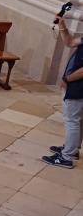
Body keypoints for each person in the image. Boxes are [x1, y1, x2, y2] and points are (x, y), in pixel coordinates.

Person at [42, 16, 83, 169]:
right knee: (78, 120)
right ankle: (72, 150)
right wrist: (62, 26)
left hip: (78, 86)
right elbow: (70, 42)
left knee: (72, 120)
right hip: (77, 85)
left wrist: (68, 78)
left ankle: (66, 157)